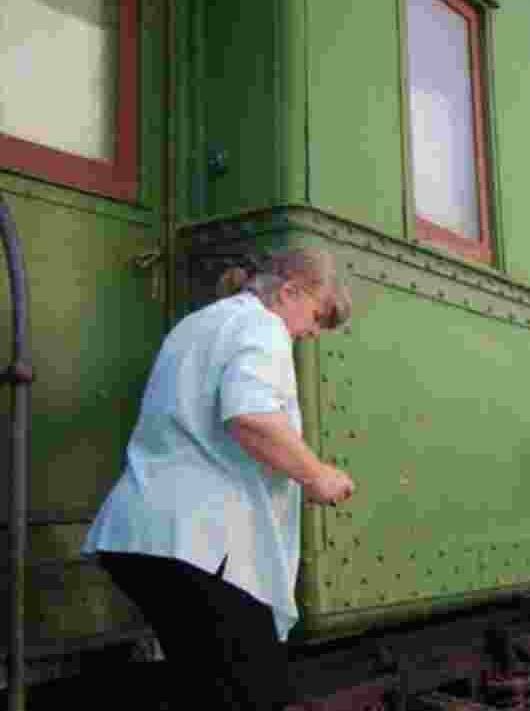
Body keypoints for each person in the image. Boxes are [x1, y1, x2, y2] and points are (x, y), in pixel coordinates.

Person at [82, 247, 356, 710]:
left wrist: (290, 474)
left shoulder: (199, 323)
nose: (310, 332)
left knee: (206, 689)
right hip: (202, 542)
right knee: (254, 694)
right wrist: (316, 475)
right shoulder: (263, 325)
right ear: (288, 291)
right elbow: (248, 415)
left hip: (141, 533)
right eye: (314, 316)